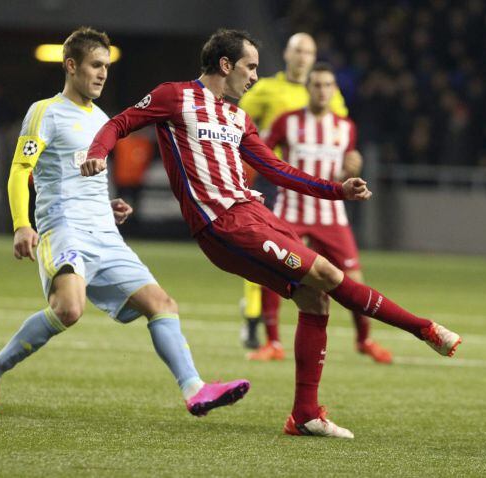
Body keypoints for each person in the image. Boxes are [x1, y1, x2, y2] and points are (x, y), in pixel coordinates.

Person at [81, 28, 461, 439]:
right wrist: (98, 153)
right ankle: (423, 328)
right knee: (330, 276)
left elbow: (278, 169)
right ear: (225, 65)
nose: (255, 76)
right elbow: (120, 123)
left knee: (315, 300)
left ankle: (305, 415)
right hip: (224, 224)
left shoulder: (238, 118)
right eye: (250, 66)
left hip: (256, 214)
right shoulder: (175, 96)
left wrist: (336, 190)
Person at [0, 27, 249, 417]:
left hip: (104, 233)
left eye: (106, 66)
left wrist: (108, 204)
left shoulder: (102, 119)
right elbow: (19, 171)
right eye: (95, 65)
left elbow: (86, 176)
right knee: (68, 309)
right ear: (71, 66)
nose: (102, 74)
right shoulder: (44, 112)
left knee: (162, 304)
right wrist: (20, 224)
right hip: (63, 229)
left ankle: (195, 390)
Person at [247, 63, 392, 364]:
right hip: (291, 211)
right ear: (308, 88)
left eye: (328, 85)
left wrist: (352, 167)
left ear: (334, 90)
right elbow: (259, 152)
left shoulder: (345, 127)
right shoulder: (286, 121)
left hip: (331, 216)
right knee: (272, 272)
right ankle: (273, 342)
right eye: (317, 85)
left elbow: (344, 167)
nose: (322, 90)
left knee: (353, 277)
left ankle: (365, 340)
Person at [237, 32, 347, 350]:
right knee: (262, 250)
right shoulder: (268, 89)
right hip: (274, 182)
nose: (302, 57)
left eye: (308, 52)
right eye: (297, 51)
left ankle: (312, 316)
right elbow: (239, 121)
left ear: (313, 58)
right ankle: (254, 320)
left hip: (313, 184)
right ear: (287, 54)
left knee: (311, 259)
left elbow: (339, 128)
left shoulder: (328, 93)